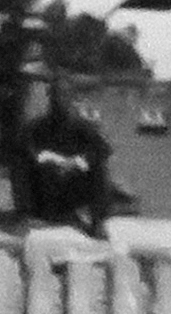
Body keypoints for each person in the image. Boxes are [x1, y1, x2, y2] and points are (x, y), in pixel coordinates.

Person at [10, 70, 113, 236]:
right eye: (55, 95)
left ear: (71, 98)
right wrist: (44, 159)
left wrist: (76, 162)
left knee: (99, 168)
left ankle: (97, 222)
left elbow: (103, 149)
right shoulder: (36, 127)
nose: (59, 100)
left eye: (64, 95)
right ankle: (26, 216)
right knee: (19, 165)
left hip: (73, 183)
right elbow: (23, 150)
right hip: (44, 183)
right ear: (50, 97)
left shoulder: (83, 127)